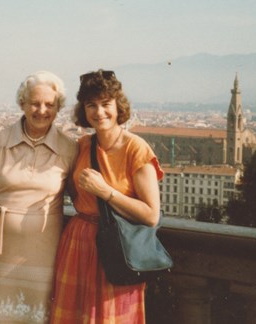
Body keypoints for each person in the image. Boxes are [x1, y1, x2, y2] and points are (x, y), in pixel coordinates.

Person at [0, 71, 78, 323]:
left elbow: (82, 200)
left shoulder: (69, 148)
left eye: (49, 105)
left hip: (44, 250)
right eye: (35, 103)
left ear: (58, 108)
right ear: (22, 103)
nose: (42, 110)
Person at [50, 69, 164, 323]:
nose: (99, 112)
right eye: (91, 105)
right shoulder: (82, 146)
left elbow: (151, 214)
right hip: (78, 244)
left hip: (115, 249)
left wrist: (107, 192)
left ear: (118, 106)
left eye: (105, 104)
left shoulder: (137, 149)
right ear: (84, 110)